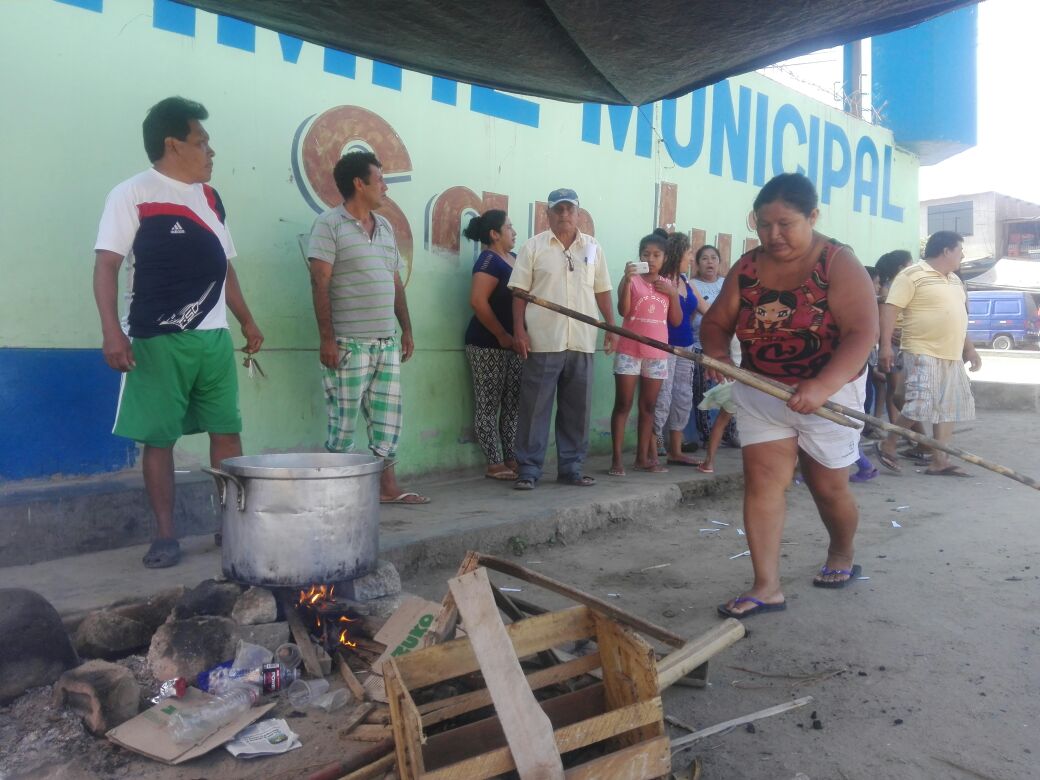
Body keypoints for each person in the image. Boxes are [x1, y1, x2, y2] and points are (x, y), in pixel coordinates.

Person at [93, 96, 263, 569]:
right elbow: (106, 266)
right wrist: (112, 333)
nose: (211, 151)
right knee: (159, 437)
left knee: (227, 432)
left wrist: (247, 319)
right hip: (155, 339)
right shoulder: (132, 194)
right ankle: (165, 536)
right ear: (173, 145)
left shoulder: (211, 199)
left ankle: (232, 525)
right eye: (201, 141)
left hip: (213, 338)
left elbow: (224, 266)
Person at [701, 173, 878, 618]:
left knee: (827, 486)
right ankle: (766, 586)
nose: (773, 235)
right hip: (762, 389)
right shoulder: (746, 268)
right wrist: (718, 357)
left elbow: (862, 333)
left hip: (830, 394)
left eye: (785, 224)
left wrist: (821, 386)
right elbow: (716, 322)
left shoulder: (838, 262)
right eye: (763, 225)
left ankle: (841, 551)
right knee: (762, 484)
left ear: (812, 216)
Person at [307, 151, 429, 504]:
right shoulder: (329, 225)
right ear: (359, 184)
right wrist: (327, 340)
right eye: (380, 179)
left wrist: (406, 330)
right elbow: (319, 283)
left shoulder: (386, 227)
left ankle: (387, 489)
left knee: (387, 421)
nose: (385, 187)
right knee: (343, 423)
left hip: (385, 343)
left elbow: (394, 282)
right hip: (347, 344)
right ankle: (337, 495)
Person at [508, 188, 615, 490]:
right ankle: (528, 469)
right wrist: (519, 331)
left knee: (577, 410)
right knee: (534, 408)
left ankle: (572, 467)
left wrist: (610, 326)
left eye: (570, 210)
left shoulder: (592, 248)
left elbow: (602, 290)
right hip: (543, 340)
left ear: (579, 214)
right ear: (548, 213)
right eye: (558, 210)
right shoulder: (534, 247)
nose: (564, 215)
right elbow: (518, 293)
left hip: (582, 340)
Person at [876, 232, 981, 477]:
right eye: (960, 250)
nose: (962, 255)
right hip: (922, 349)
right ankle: (888, 444)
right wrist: (884, 346)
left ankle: (939, 460)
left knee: (947, 408)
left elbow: (959, 317)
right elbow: (890, 310)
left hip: (952, 354)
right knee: (920, 403)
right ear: (946, 250)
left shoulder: (955, 281)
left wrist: (970, 348)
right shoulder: (912, 275)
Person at [609, 229, 684, 475]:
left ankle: (642, 458)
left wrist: (673, 295)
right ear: (639, 256)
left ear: (664, 258)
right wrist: (625, 281)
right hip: (630, 350)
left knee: (648, 407)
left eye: (656, 255)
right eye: (646, 254)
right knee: (623, 404)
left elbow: (675, 321)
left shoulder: (668, 285)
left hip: (657, 355)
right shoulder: (633, 281)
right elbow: (623, 311)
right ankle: (617, 460)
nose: (651, 259)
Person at [463, 210, 523, 480]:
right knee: (488, 403)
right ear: (494, 234)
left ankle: (511, 456)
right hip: (488, 343)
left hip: (514, 344)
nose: (514, 232)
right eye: (509, 227)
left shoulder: (515, 259)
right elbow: (478, 302)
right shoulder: (488, 260)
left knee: (512, 404)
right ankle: (494, 463)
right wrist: (501, 335)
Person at [652, 231, 706, 467]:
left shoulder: (686, 282)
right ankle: (654, 447)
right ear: (677, 254)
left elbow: (706, 309)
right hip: (665, 346)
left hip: (686, 346)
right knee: (662, 397)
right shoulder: (661, 281)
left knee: (683, 396)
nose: (691, 258)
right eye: (688, 253)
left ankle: (676, 450)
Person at [690, 245, 739, 449]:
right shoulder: (692, 284)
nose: (710, 262)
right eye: (704, 259)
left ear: (719, 262)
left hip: (727, 350)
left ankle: (730, 433)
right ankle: (707, 435)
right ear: (697, 264)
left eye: (713, 258)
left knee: (730, 393)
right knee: (702, 394)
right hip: (700, 348)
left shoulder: (727, 284)